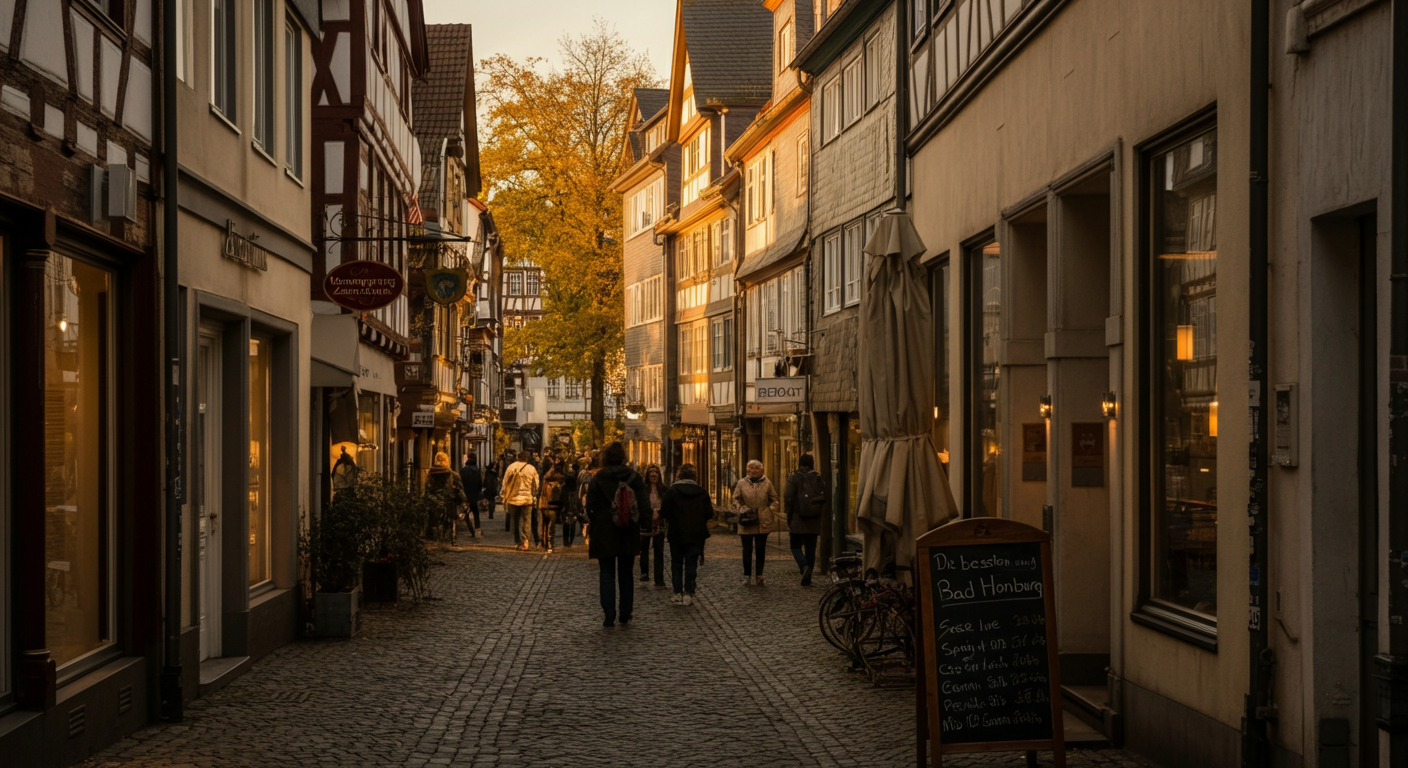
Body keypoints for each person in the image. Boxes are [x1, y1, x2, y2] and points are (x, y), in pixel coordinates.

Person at [586, 442, 648, 627]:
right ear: (623, 457)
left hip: (604, 530)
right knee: (626, 573)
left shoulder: (598, 478)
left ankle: (608, 613)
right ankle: (625, 612)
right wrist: (643, 525)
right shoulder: (634, 477)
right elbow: (643, 504)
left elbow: (590, 506)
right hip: (628, 529)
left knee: (606, 573)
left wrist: (596, 521)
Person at [660, 463, 712, 605]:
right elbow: (709, 513)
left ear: (679, 475)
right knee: (691, 563)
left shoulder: (672, 491)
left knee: (676, 563)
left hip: (676, 532)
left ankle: (677, 592)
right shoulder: (702, 492)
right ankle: (689, 592)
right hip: (696, 534)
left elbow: (664, 512)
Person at [732, 459, 780, 586]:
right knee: (747, 550)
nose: (751, 470)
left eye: (754, 468)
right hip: (746, 520)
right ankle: (747, 575)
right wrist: (740, 508)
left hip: (762, 521)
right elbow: (735, 499)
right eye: (749, 468)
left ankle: (759, 574)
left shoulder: (767, 483)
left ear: (761, 470)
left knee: (760, 548)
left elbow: (774, 499)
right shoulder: (741, 483)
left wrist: (769, 510)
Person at [783, 453, 827, 586]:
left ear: (799, 463)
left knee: (795, 546)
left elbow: (788, 497)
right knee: (811, 548)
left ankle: (804, 566)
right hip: (814, 519)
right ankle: (808, 577)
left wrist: (788, 514)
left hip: (798, 518)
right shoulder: (818, 477)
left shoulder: (794, 477)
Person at [425, 452, 468, 546]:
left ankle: (435, 538)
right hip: (449, 502)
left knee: (435, 521)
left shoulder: (430, 474)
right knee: (451, 521)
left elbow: (427, 488)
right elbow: (460, 488)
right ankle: (450, 540)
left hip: (435, 502)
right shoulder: (453, 474)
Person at [500, 451, 540, 551]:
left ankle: (518, 542)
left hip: (513, 499)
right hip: (527, 499)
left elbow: (505, 483)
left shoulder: (511, 467)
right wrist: (534, 496)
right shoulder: (531, 468)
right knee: (527, 521)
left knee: (515, 521)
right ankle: (526, 540)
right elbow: (536, 484)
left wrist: (503, 495)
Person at [638, 465, 667, 586]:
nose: (654, 475)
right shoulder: (643, 490)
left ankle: (659, 577)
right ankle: (644, 573)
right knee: (644, 548)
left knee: (659, 550)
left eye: (656, 472)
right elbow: (641, 505)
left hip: (660, 522)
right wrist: (651, 513)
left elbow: (666, 504)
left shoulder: (664, 489)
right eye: (651, 473)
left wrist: (659, 512)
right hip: (646, 521)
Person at [538, 460, 568, 553]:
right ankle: (550, 544)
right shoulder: (562, 479)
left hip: (543, 504)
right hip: (554, 505)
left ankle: (544, 543)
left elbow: (539, 491)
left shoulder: (545, 479)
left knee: (543, 525)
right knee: (551, 526)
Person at [459, 454, 483, 539]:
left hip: (465, 495)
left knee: (466, 513)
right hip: (474, 495)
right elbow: (480, 484)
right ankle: (477, 529)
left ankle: (471, 530)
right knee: (476, 513)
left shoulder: (463, 470)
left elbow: (460, 483)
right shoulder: (477, 470)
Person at [560, 459, 582, 548]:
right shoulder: (575, 490)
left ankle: (566, 541)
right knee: (572, 525)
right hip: (573, 509)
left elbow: (561, 499)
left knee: (565, 525)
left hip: (566, 508)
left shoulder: (564, 489)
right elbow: (578, 499)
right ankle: (570, 542)